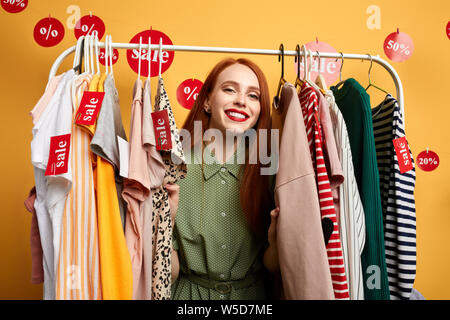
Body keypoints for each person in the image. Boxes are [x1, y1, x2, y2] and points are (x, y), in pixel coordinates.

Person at [166, 57, 280, 300]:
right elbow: (170, 272)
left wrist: (275, 241)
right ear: (207, 101)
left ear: (260, 110)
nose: (241, 100)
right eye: (229, 89)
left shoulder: (271, 170)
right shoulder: (175, 167)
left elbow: (272, 266)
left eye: (253, 95)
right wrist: (167, 221)